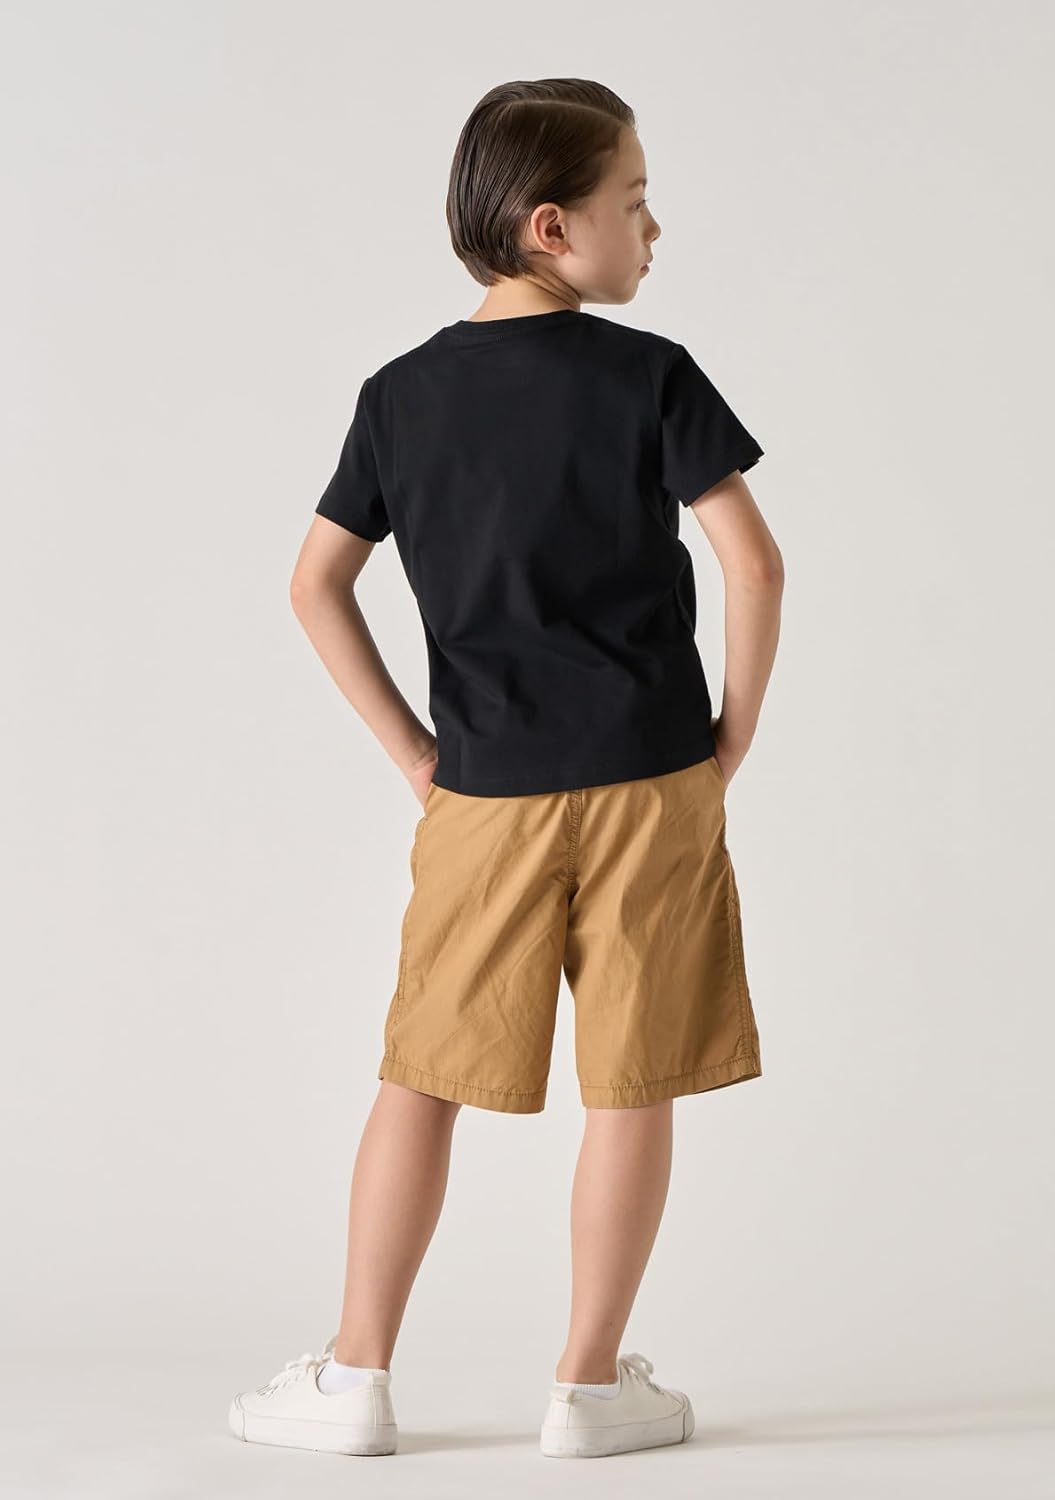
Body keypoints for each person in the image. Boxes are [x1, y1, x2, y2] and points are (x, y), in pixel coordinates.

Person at [228, 77, 784, 1461]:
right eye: (634, 202)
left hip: (481, 796)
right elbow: (755, 563)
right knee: (632, 1084)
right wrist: (731, 734)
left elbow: (312, 585)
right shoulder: (652, 375)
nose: (653, 229)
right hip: (654, 781)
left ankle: (355, 1378)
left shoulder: (401, 397)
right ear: (552, 227)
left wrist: (416, 755)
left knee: (420, 1074)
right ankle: (588, 1391)